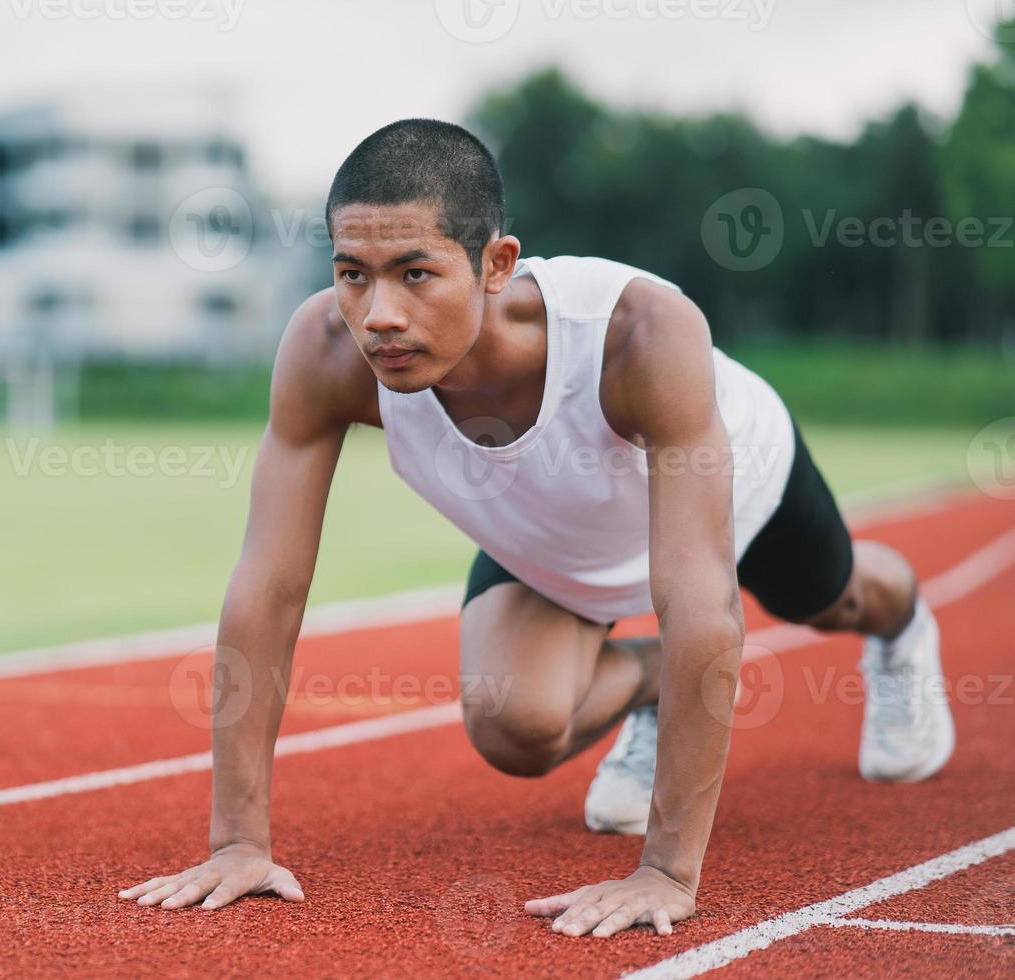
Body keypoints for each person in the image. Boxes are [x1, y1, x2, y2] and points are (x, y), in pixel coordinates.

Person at [117, 119, 955, 937]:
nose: (376, 313)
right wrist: (237, 845)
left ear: (496, 264)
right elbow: (269, 585)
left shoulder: (638, 332)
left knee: (833, 600)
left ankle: (905, 623)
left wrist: (665, 871)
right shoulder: (326, 352)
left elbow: (702, 605)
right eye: (352, 274)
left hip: (733, 498)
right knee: (515, 724)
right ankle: (660, 689)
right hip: (547, 534)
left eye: (415, 273)